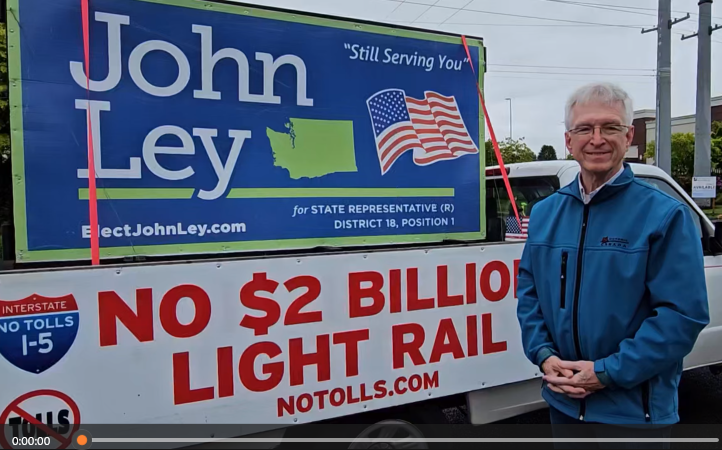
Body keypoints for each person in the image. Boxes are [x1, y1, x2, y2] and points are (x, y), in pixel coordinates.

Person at [515, 82, 710, 448]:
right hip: (563, 404)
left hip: (634, 416)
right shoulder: (544, 213)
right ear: (568, 140)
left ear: (629, 135)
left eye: (610, 127)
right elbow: (530, 295)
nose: (597, 139)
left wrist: (606, 372)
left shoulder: (665, 215)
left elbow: (682, 316)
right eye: (584, 129)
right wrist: (544, 356)